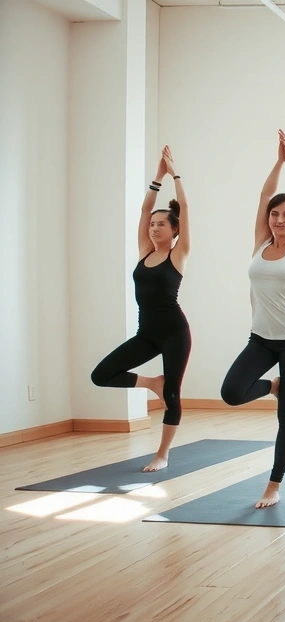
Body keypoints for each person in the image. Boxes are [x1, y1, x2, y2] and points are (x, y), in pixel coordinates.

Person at [220, 130, 285, 509]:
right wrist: (277, 164)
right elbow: (263, 195)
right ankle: (272, 385)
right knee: (231, 393)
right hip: (260, 338)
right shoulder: (261, 243)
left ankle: (274, 485)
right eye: (275, 215)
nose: (279, 219)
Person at [91, 146, 191, 472]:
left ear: (175, 230)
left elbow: (185, 207)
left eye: (162, 224)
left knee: (173, 395)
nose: (154, 227)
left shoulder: (178, 255)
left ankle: (162, 454)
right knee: (101, 375)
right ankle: (152, 382)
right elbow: (144, 208)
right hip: (146, 333)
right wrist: (157, 177)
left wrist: (175, 173)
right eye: (153, 224)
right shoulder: (144, 251)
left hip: (175, 332)